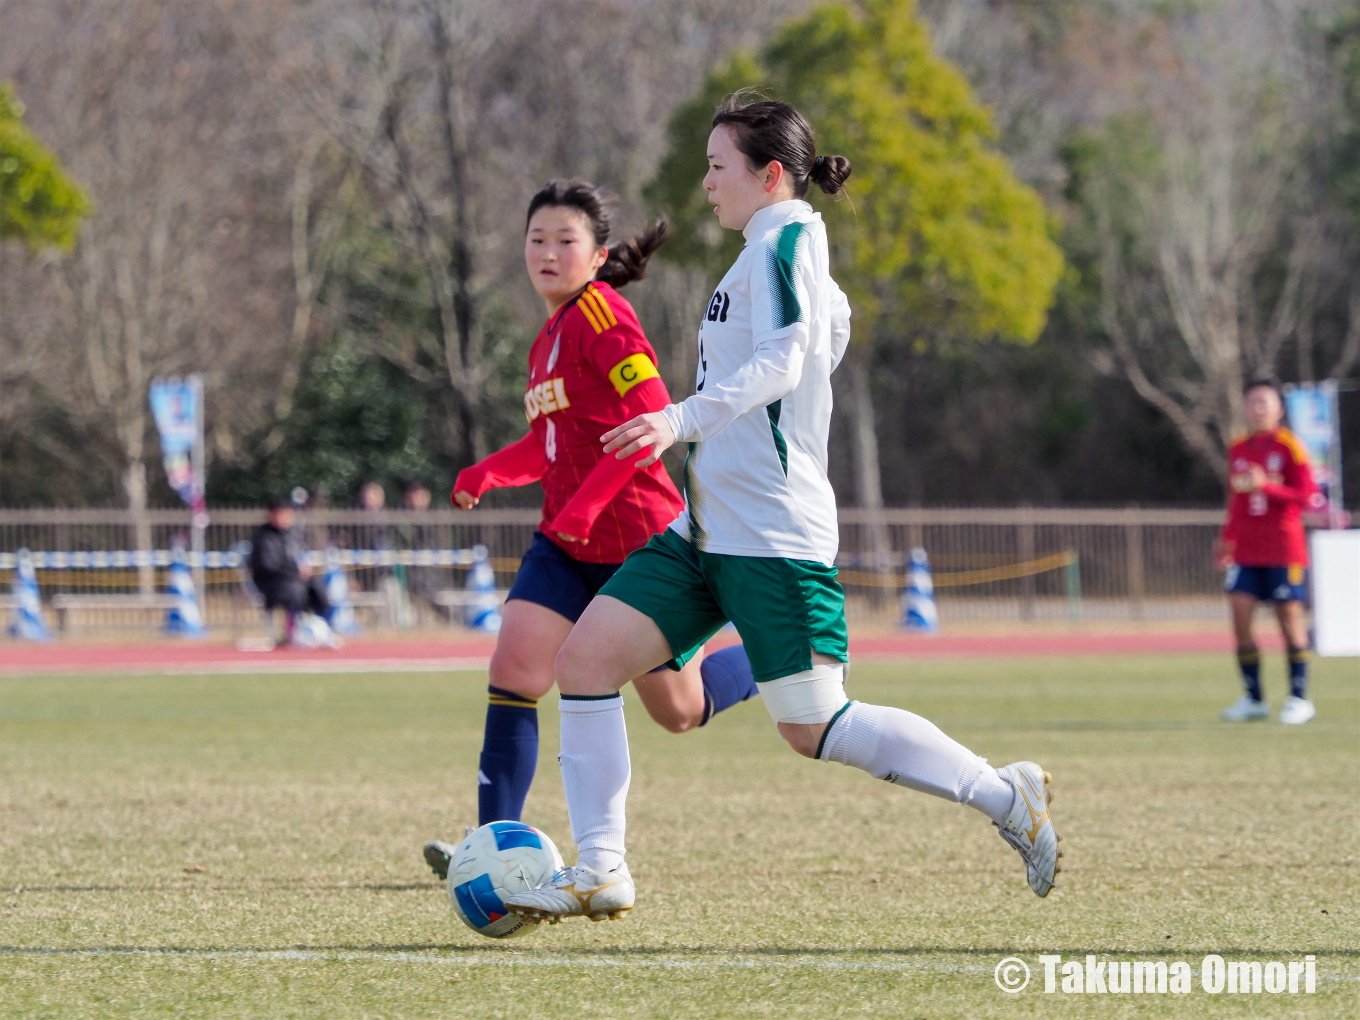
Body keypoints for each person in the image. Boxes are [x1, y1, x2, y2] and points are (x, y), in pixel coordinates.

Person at [505, 97, 1063, 925]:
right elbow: (825, 334)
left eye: (717, 167)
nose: (704, 184)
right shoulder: (775, 250)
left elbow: (784, 360)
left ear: (769, 176)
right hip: (703, 530)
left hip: (770, 537)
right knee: (584, 665)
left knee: (812, 725)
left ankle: (1000, 791)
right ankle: (599, 870)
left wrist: (678, 418)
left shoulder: (787, 238)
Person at [423, 179, 758, 880]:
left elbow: (652, 419)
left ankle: (778, 650)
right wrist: (487, 472)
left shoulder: (604, 317)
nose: (547, 252)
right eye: (536, 239)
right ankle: (492, 845)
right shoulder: (546, 339)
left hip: (639, 542)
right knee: (515, 667)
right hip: (564, 546)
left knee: (679, 709)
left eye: (564, 240)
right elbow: (548, 447)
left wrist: (588, 506)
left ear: (598, 253)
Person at [1215, 380, 1324, 725]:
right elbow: (1237, 501)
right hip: (1247, 550)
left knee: (1288, 617)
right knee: (1239, 614)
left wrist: (1268, 486)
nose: (1258, 408)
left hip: (1284, 549)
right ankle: (1254, 698)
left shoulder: (1290, 446)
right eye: (1252, 402)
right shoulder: (1238, 448)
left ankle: (1299, 697)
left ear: (1279, 408)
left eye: (1265, 402)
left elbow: (1307, 497)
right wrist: (1226, 538)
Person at [247, 495, 335, 645]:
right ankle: (292, 631)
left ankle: (324, 629)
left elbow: (297, 557)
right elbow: (267, 565)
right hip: (271, 585)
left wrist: (304, 568)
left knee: (317, 587)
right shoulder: (264, 537)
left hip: (292, 581)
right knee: (294, 591)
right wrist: (295, 569)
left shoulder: (291, 535)